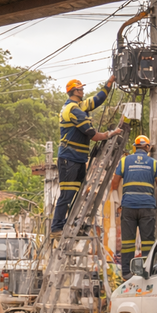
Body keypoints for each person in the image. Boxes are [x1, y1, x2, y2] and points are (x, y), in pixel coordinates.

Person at [49, 75, 124, 237]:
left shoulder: (78, 106)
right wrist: (110, 134)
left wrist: (109, 82)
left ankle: (71, 225)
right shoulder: (74, 110)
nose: (83, 90)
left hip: (77, 158)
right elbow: (92, 134)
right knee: (67, 195)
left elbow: (97, 99)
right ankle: (57, 228)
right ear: (75, 91)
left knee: (77, 193)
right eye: (81, 88)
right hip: (69, 158)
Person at [111, 135, 157, 278]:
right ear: (147, 148)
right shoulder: (154, 163)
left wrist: (117, 202)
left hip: (128, 206)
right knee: (148, 241)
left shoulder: (124, 162)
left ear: (135, 147)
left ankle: (127, 272)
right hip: (147, 206)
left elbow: (114, 184)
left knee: (128, 241)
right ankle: (146, 271)